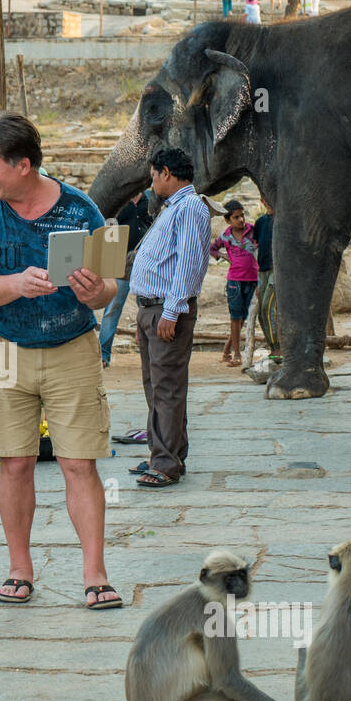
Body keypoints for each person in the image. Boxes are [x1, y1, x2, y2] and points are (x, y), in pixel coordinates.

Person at [0, 113, 120, 611]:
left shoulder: (83, 208)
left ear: (23, 165)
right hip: (6, 348)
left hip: (72, 347)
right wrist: (16, 284)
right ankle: (19, 570)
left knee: (78, 463)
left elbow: (112, 286)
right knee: (14, 463)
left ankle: (95, 575)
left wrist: (98, 291)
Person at [128, 148, 211, 488]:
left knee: (167, 388)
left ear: (166, 173)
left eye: (153, 176)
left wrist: (173, 310)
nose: (152, 183)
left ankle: (166, 463)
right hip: (151, 309)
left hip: (166, 308)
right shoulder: (172, 209)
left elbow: (189, 263)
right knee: (156, 386)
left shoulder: (190, 207)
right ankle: (165, 453)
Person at [100, 190, 153, 367]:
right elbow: (109, 231)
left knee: (147, 309)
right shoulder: (119, 202)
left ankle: (151, 353)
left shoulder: (151, 200)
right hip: (121, 263)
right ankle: (103, 355)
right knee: (112, 309)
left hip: (144, 264)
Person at [210, 200, 260, 366]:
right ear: (228, 220)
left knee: (243, 318)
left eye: (242, 216)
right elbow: (212, 248)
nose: (241, 220)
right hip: (234, 282)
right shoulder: (225, 236)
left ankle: (226, 350)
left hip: (252, 280)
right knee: (235, 318)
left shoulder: (253, 231)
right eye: (236, 217)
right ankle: (237, 354)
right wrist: (222, 256)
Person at [253, 197, 279, 361]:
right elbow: (257, 247)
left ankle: (277, 348)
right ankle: (273, 347)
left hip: (279, 270)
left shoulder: (283, 219)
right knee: (262, 313)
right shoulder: (260, 222)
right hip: (262, 270)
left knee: (267, 308)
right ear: (262, 200)